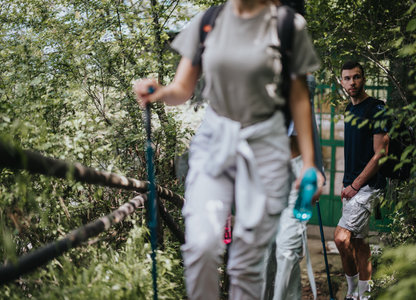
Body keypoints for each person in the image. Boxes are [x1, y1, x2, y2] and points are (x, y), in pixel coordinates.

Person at [133, 0, 321, 299]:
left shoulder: (287, 25)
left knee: (247, 264)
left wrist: (310, 164)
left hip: (266, 143)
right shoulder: (209, 20)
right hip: (215, 140)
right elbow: (181, 89)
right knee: (201, 246)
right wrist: (160, 92)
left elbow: (299, 97)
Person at [262, 74, 326, 300]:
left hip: (297, 174)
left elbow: (313, 140)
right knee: (266, 254)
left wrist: (318, 176)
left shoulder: (303, 107)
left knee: (287, 249)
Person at [334, 61, 389, 300]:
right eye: (347, 78)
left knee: (340, 238)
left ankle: (351, 294)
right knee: (359, 243)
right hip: (352, 185)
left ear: (363, 79)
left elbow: (381, 154)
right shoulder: (349, 109)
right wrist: (349, 184)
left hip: (366, 187)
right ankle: (363, 295)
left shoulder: (377, 108)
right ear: (342, 81)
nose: (352, 83)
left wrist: (355, 185)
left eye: (356, 77)